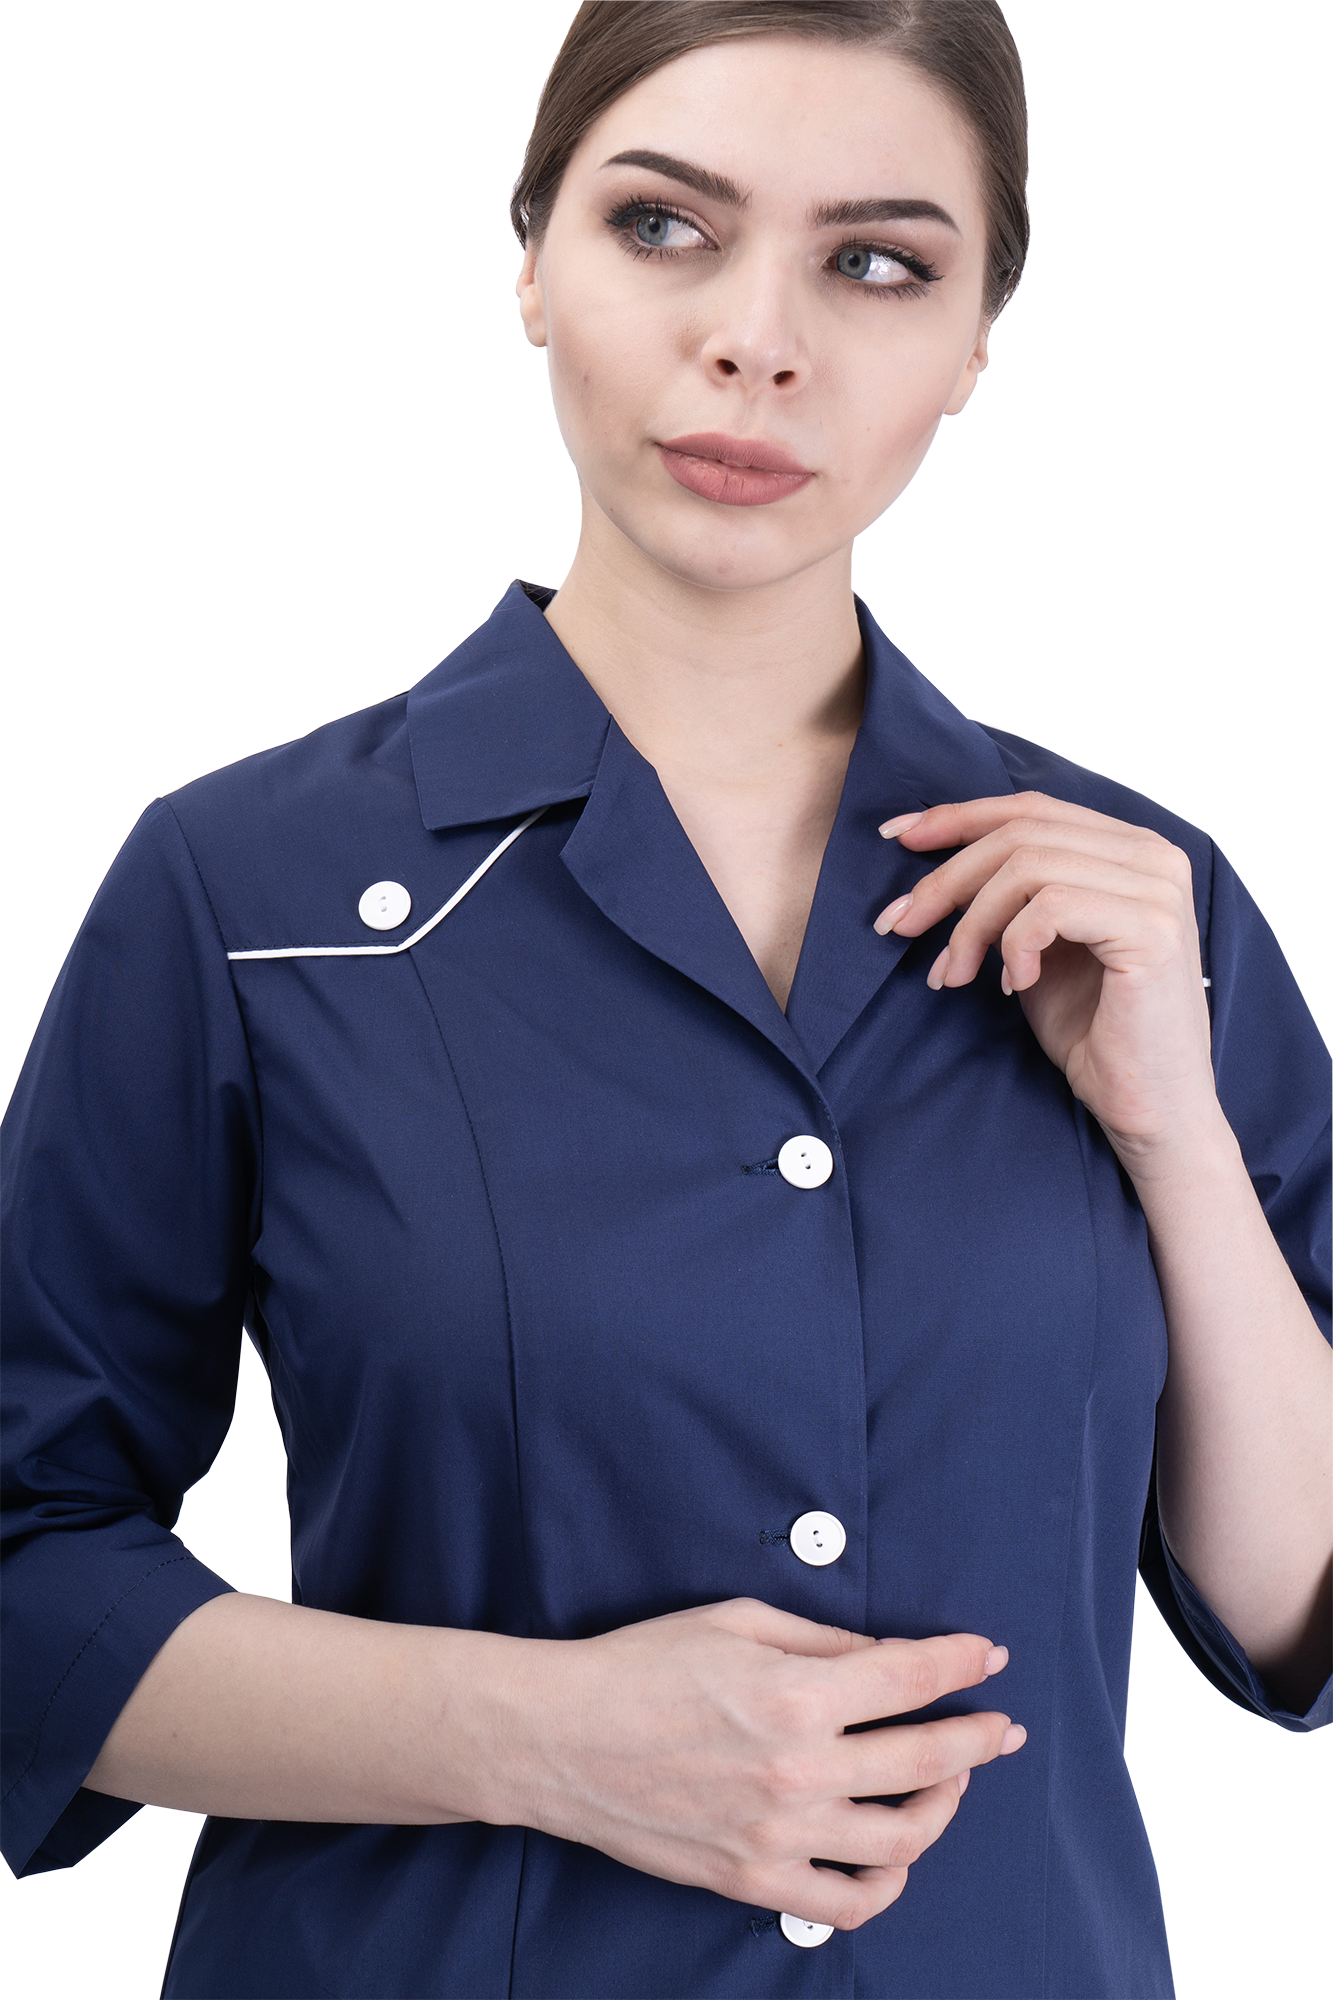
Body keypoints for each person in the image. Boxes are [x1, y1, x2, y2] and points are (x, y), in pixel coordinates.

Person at [3, 1, 1333, 1993]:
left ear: (979, 346)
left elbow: (1292, 1607)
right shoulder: (245, 893)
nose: (757, 340)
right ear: (533, 263)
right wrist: (545, 1735)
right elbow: (24, 1561)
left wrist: (1174, 1130)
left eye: (876, 263)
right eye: (663, 227)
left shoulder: (1138, 905)